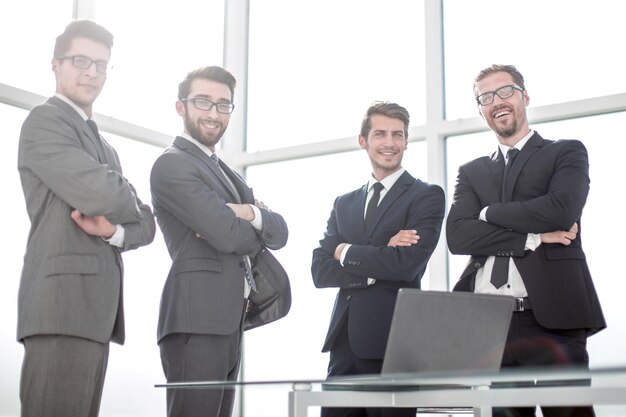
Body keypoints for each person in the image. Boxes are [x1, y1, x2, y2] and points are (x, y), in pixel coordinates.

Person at [446, 64, 606, 417]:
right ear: (480, 109)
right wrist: (532, 237)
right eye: (486, 97)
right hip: (491, 323)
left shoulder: (565, 152)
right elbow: (457, 235)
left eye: (505, 91)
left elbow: (560, 210)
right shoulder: (471, 171)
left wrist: (487, 214)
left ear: (524, 96)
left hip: (553, 316)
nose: (497, 102)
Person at [16, 19, 156, 417]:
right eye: (80, 60)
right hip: (61, 310)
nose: (91, 72)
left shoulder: (103, 145)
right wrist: (124, 193)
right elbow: (105, 192)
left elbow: (147, 225)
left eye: (101, 64)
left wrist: (113, 231)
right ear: (55, 64)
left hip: (93, 315)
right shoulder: (45, 122)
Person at [150, 65, 289, 417]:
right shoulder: (173, 165)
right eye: (203, 102)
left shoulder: (225, 172)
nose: (214, 113)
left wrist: (245, 214)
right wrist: (243, 221)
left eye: (223, 105)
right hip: (197, 321)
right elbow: (228, 235)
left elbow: (280, 231)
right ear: (181, 107)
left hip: (228, 320)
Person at [311, 101, 446, 417]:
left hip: (394, 344)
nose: (390, 143)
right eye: (381, 134)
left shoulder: (426, 196)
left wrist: (345, 251)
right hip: (343, 345)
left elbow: (405, 264)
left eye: (398, 135)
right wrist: (379, 257)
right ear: (363, 141)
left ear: (406, 141)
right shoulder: (344, 203)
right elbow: (319, 269)